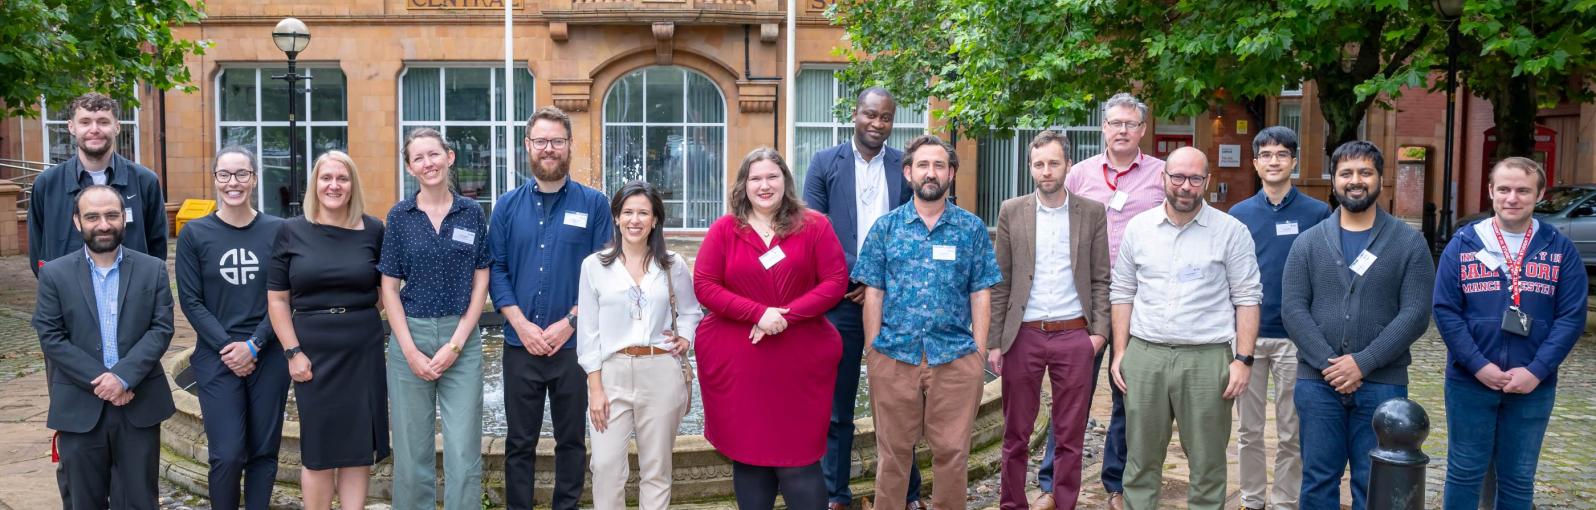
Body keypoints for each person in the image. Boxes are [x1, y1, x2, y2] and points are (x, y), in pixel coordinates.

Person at [1281, 141, 1435, 510]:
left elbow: (1415, 313)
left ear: (1381, 179)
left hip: (1382, 386)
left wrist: (1362, 362)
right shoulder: (1308, 243)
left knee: (1377, 479)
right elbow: (1292, 309)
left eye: (1365, 172)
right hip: (1317, 384)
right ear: (1333, 181)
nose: (1356, 181)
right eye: (1346, 173)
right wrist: (1329, 364)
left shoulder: (1409, 243)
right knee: (1318, 479)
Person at [694, 148, 849, 510]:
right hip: (741, 365)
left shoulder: (814, 225)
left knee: (800, 461)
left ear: (785, 181)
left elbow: (835, 281)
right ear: (743, 185)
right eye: (755, 178)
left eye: (772, 177)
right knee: (749, 459)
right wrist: (757, 313)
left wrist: (785, 316)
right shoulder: (725, 230)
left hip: (798, 363)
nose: (764, 185)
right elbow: (704, 284)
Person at [1108, 146, 1261, 510]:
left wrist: (1243, 359)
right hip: (1146, 355)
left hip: (1207, 360)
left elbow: (1248, 297)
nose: (1185, 186)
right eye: (1177, 176)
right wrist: (1120, 353)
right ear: (1163, 178)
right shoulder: (1139, 228)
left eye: (1195, 178)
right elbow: (1122, 291)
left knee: (1208, 463)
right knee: (1140, 459)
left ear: (1207, 181)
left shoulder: (1231, 232)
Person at [854, 134, 1001, 510]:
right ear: (908, 173)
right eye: (922, 165)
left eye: (939, 165)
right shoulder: (886, 229)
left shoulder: (970, 229)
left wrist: (978, 351)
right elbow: (873, 292)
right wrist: (873, 350)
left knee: (953, 454)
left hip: (954, 357)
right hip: (894, 357)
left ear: (951, 173)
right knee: (893, 455)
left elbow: (981, 291)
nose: (930, 172)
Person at [1434, 157, 1586, 509]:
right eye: (1503, 189)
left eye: (1522, 190)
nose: (1512, 198)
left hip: (1532, 386)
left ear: (1540, 194)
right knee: (1464, 472)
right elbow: (1445, 310)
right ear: (1490, 192)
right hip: (1469, 381)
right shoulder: (1464, 244)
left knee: (1518, 477)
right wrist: (1477, 365)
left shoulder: (1559, 248)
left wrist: (1536, 371)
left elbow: (1571, 317)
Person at [801, 87, 924, 510]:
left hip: (892, 304)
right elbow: (813, 229)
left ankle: (906, 494)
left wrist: (877, 281)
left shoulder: (903, 168)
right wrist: (857, 276)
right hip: (839, 303)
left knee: (899, 405)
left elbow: (915, 230)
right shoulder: (823, 164)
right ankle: (835, 495)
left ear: (893, 121)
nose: (877, 124)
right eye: (870, 115)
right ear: (855, 114)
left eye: (885, 117)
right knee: (836, 408)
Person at [488, 106, 613, 510]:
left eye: (557, 141)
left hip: (575, 348)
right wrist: (519, 323)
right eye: (540, 141)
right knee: (519, 442)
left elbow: (604, 273)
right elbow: (497, 269)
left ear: (569, 146)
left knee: (572, 440)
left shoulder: (594, 205)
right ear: (528, 146)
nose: (548, 149)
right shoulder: (506, 207)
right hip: (519, 343)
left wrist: (570, 323)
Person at [1049, 92, 1167, 510]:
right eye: (1115, 123)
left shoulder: (1163, 175)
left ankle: (1117, 485)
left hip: (1140, 302)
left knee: (1128, 395)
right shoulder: (1078, 175)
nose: (1122, 130)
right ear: (1103, 128)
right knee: (1070, 396)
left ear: (1142, 130)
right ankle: (1052, 483)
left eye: (1130, 124)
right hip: (1083, 302)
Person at [988, 130, 1110, 510]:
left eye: (1054, 163)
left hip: (1074, 335)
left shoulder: (1091, 212)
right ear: (1030, 167)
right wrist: (995, 341)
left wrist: (1098, 335)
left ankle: (1064, 502)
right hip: (1023, 335)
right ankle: (1012, 504)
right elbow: (1001, 281)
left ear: (1068, 166)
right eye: (1039, 164)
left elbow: (1101, 278)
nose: (1046, 171)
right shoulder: (1012, 210)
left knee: (1070, 434)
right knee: (1016, 434)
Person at [32, 184, 174, 510]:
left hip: (138, 404)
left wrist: (123, 377)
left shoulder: (152, 270)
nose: (104, 224)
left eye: (112, 215)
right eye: (92, 216)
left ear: (124, 218)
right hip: (79, 407)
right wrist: (105, 381)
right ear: (77, 222)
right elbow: (51, 336)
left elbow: (161, 328)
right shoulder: (54, 274)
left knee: (139, 500)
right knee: (84, 501)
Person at [265, 151, 389, 510]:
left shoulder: (373, 229)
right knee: (318, 450)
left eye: (342, 178)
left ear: (353, 186)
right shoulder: (290, 231)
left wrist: (351, 314)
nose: (334, 185)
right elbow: (276, 300)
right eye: (326, 178)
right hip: (311, 352)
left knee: (357, 449)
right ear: (314, 184)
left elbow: (385, 292)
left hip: (361, 350)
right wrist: (292, 352)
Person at [378, 129, 491, 510]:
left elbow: (481, 279)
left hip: (462, 336)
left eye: (434, 154)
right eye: (419, 158)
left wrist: (457, 342)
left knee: (463, 449)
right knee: (412, 451)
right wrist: (408, 350)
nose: (428, 163)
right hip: (411, 335)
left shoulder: (471, 213)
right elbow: (388, 287)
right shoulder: (399, 216)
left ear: (449, 157)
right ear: (410, 167)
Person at [577, 181, 704, 510]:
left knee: (656, 469)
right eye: (627, 212)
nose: (635, 220)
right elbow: (588, 331)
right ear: (616, 218)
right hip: (612, 374)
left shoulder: (672, 264)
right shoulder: (595, 266)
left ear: (655, 220)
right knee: (604, 467)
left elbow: (691, 311)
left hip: (660, 370)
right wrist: (595, 387)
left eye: (643, 213)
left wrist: (685, 337)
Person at [175, 146, 289, 510]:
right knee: (226, 454)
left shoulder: (279, 231)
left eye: (242, 174)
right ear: (215, 180)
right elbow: (191, 301)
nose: (233, 182)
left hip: (268, 354)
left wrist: (254, 344)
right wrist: (230, 348)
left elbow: (286, 297)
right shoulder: (195, 233)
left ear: (254, 178)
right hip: (215, 356)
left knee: (264, 451)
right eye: (224, 174)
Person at [1225, 126, 1328, 510]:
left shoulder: (1317, 213)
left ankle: (1285, 501)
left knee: (1292, 431)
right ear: (1254, 163)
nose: (1273, 161)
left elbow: (1325, 273)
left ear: (1294, 161)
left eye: (1281, 154)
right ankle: (1252, 499)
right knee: (1248, 430)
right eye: (1266, 155)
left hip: (1295, 339)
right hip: (1248, 338)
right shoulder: (1238, 215)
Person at [29, 93, 168, 276]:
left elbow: (157, 248)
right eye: (85, 122)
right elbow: (37, 249)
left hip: (131, 297)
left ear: (117, 127)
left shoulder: (145, 181)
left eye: (103, 122)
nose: (94, 129)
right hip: (67, 297)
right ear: (72, 127)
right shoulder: (47, 184)